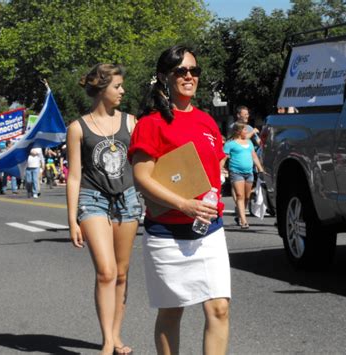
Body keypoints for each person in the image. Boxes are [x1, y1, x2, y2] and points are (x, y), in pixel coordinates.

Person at [129, 45, 231, 355]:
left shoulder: (207, 121)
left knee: (219, 309)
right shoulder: (151, 123)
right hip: (167, 235)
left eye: (194, 71)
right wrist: (184, 204)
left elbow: (217, 164)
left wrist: (217, 181)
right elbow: (142, 177)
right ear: (164, 77)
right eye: (181, 71)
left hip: (208, 231)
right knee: (172, 312)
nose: (189, 76)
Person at [66, 63, 141, 355]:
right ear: (101, 89)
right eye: (117, 86)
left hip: (127, 199)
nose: (123, 91)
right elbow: (74, 175)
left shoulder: (132, 122)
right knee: (106, 272)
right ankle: (107, 341)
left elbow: (142, 165)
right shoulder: (78, 127)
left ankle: (116, 335)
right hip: (92, 199)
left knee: (122, 274)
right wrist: (72, 219)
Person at [222, 122, 265, 229]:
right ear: (238, 131)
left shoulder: (249, 142)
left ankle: (240, 216)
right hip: (236, 172)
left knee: (246, 197)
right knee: (240, 196)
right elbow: (223, 158)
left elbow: (254, 156)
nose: (247, 131)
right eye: (244, 130)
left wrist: (260, 169)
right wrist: (220, 169)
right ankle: (244, 220)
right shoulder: (230, 144)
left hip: (249, 173)